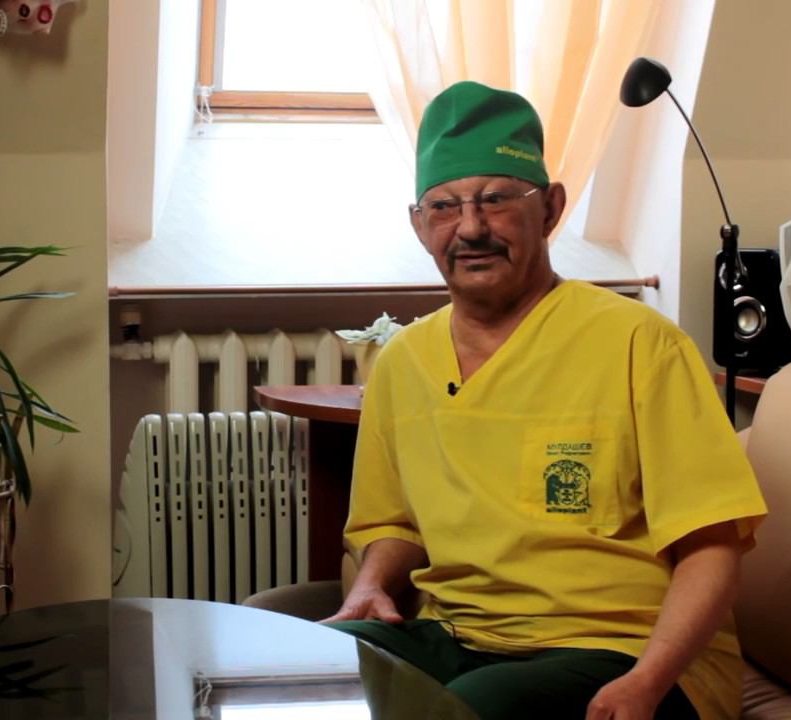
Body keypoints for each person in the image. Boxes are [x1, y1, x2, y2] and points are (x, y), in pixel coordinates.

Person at [325, 81, 768, 720]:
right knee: (308, 668)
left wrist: (648, 681)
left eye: (497, 199)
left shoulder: (640, 344)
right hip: (456, 638)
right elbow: (395, 526)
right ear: (420, 225)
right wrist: (370, 587)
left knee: (465, 709)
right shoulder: (403, 362)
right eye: (445, 206)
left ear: (551, 209)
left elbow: (711, 547)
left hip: (623, 649)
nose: (470, 227)